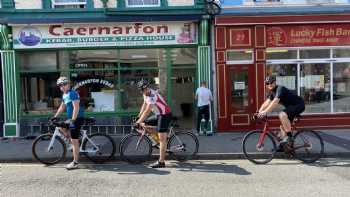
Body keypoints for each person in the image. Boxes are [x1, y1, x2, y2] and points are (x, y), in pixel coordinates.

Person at [258, 75, 305, 145]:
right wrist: (258, 112)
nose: (269, 84)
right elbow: (266, 103)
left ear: (275, 82)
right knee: (282, 128)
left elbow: (275, 102)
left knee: (282, 114)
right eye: (267, 83)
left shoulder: (280, 89)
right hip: (291, 107)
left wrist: (265, 112)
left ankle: (289, 137)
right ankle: (284, 147)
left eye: (271, 82)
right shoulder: (272, 93)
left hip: (298, 105)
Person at [136, 80, 172, 168]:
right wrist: (139, 116)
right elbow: (144, 104)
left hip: (164, 115)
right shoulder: (145, 94)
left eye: (146, 88)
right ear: (141, 90)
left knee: (162, 139)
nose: (145, 90)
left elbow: (147, 111)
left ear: (148, 87)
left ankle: (161, 162)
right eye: (143, 89)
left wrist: (138, 122)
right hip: (158, 114)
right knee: (145, 122)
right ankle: (157, 138)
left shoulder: (152, 96)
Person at [52, 76, 84, 170]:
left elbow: (76, 107)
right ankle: (75, 141)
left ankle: (75, 162)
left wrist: (73, 120)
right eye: (60, 85)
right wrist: (55, 117)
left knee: (74, 141)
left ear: (68, 84)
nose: (63, 87)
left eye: (64, 84)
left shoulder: (72, 93)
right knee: (60, 126)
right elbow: (62, 107)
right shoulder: (65, 95)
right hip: (71, 118)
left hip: (77, 118)